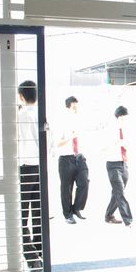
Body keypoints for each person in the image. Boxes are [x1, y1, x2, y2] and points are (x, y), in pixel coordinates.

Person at [17, 80, 42, 272]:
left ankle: (33, 259)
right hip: (40, 167)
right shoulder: (42, 114)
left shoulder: (20, 116)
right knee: (38, 214)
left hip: (25, 168)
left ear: (21, 96)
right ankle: (39, 252)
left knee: (22, 215)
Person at [56, 96, 89, 224]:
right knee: (66, 188)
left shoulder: (78, 120)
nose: (78, 108)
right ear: (70, 105)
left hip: (79, 157)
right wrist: (71, 136)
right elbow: (57, 143)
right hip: (66, 158)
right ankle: (68, 214)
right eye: (76, 106)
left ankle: (76, 208)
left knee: (84, 182)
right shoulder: (61, 121)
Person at [104, 105, 133, 227]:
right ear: (118, 117)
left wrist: (125, 144)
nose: (125, 121)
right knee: (120, 192)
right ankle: (128, 220)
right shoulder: (110, 129)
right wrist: (117, 142)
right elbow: (104, 146)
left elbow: (129, 145)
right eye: (123, 118)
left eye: (126, 118)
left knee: (117, 192)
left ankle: (108, 215)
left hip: (124, 163)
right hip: (113, 164)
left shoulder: (126, 130)